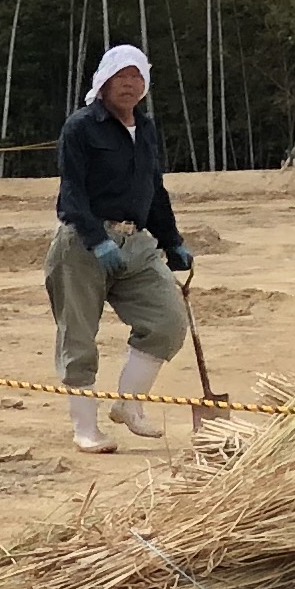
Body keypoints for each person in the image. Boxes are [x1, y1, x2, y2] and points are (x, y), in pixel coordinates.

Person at [51, 43, 194, 453]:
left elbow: (155, 190)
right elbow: (72, 192)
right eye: (121, 76)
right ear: (104, 81)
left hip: (136, 243)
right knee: (78, 335)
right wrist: (97, 240)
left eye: (136, 77)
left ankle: (129, 406)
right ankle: (85, 428)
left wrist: (172, 241)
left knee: (167, 320)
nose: (129, 84)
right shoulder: (81, 127)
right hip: (82, 244)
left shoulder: (146, 128)